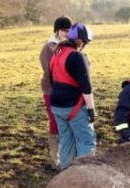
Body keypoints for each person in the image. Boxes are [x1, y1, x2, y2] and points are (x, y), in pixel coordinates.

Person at [49, 22, 97, 170]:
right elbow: (86, 87)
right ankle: (84, 175)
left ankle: (66, 176)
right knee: (86, 142)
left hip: (57, 107)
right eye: (85, 42)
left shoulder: (57, 53)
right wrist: (91, 109)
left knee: (66, 141)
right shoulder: (77, 56)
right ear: (80, 40)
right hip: (74, 108)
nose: (84, 45)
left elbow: (52, 80)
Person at [39, 16, 73, 169]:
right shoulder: (49, 48)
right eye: (64, 30)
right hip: (52, 90)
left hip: (66, 91)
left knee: (67, 122)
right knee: (55, 122)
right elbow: (51, 70)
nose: (66, 33)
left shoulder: (69, 46)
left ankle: (67, 155)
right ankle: (55, 159)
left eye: (68, 30)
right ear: (57, 30)